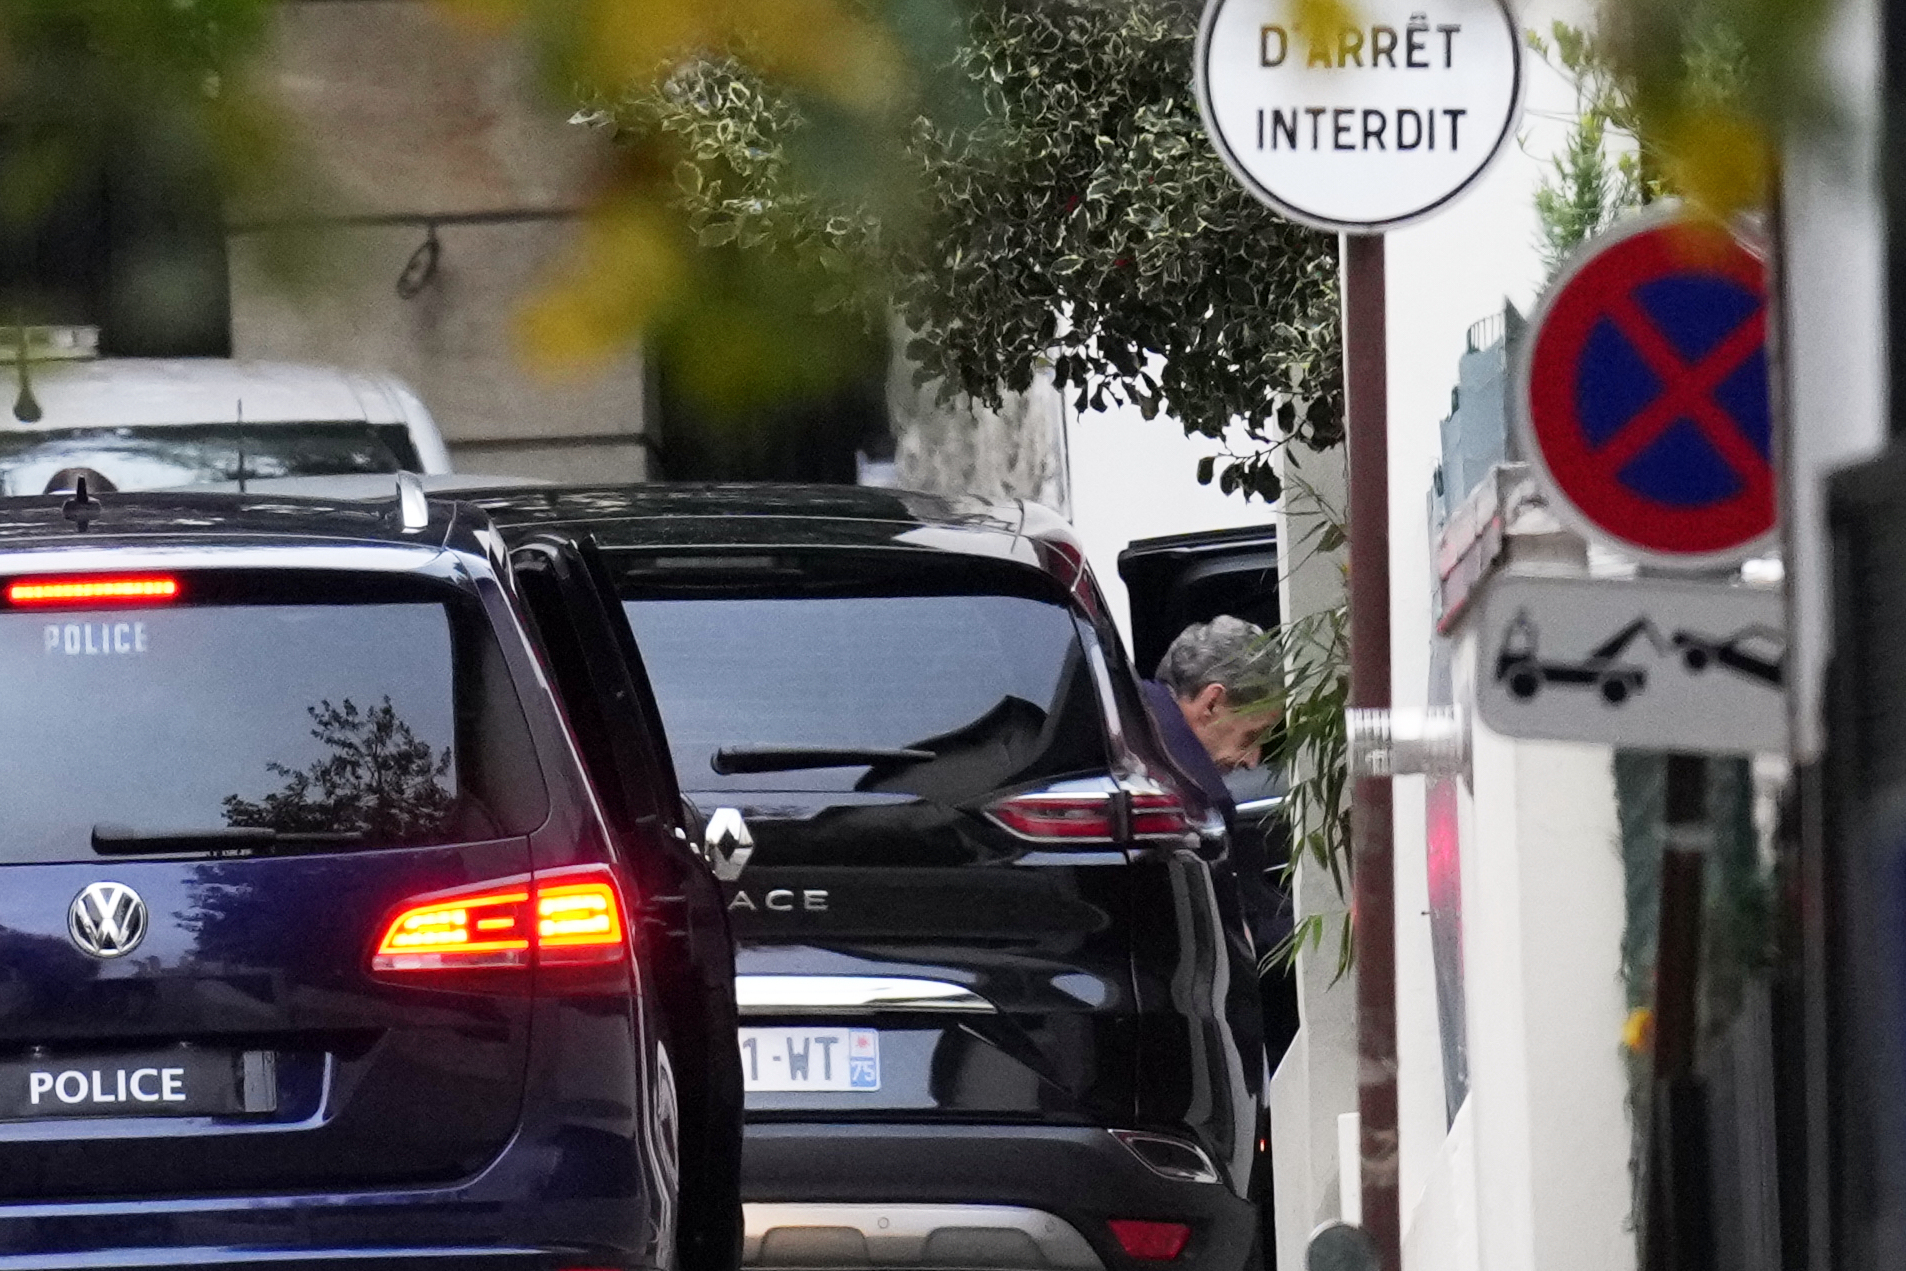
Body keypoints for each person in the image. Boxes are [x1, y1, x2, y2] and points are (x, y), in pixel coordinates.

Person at [1140, 616, 1299, 1064]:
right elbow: (1241, 934)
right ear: (1212, 702)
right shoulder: (1196, 799)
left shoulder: (1129, 720)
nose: (1252, 761)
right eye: (1251, 737)